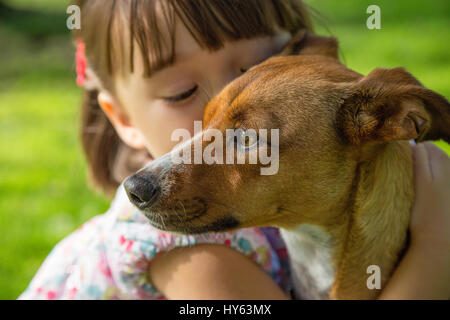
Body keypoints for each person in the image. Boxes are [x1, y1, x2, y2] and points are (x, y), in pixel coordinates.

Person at [19, 0, 449, 299]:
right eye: (185, 92)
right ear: (123, 118)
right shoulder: (188, 252)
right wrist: (437, 250)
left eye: (253, 72)